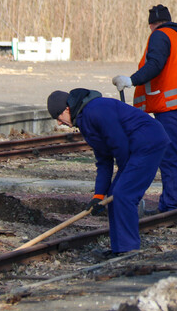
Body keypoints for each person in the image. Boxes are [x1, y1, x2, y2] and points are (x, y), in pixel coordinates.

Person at [112, 5, 177, 214]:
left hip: (172, 107)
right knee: (173, 156)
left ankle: (172, 206)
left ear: (150, 25)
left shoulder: (159, 36)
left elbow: (155, 64)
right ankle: (171, 203)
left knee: (169, 157)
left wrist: (131, 80)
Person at [47, 88, 168, 254]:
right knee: (114, 194)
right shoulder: (84, 120)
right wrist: (98, 196)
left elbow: (120, 144)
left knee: (124, 195)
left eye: (58, 117)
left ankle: (128, 249)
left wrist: (125, 176)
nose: (59, 123)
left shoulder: (95, 110)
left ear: (67, 109)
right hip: (136, 148)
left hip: (148, 142)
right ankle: (119, 248)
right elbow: (104, 160)